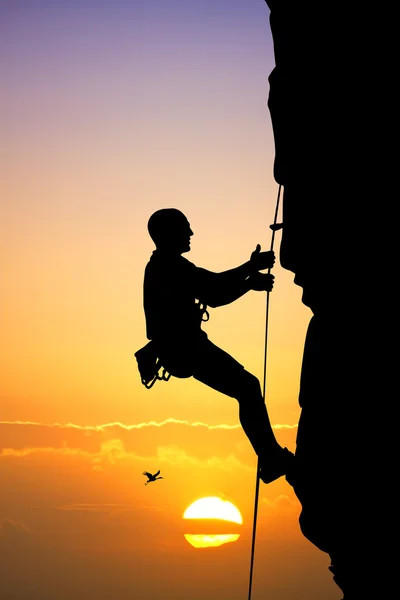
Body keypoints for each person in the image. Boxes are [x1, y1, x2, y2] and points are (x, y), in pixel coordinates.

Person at [141, 208, 294, 484]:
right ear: (167, 234)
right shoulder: (168, 266)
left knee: (247, 387)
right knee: (247, 387)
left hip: (183, 347)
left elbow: (215, 294)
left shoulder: (165, 265)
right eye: (185, 228)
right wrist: (249, 270)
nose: (190, 233)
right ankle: (270, 458)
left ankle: (270, 457)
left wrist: (249, 283)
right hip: (184, 347)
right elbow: (213, 288)